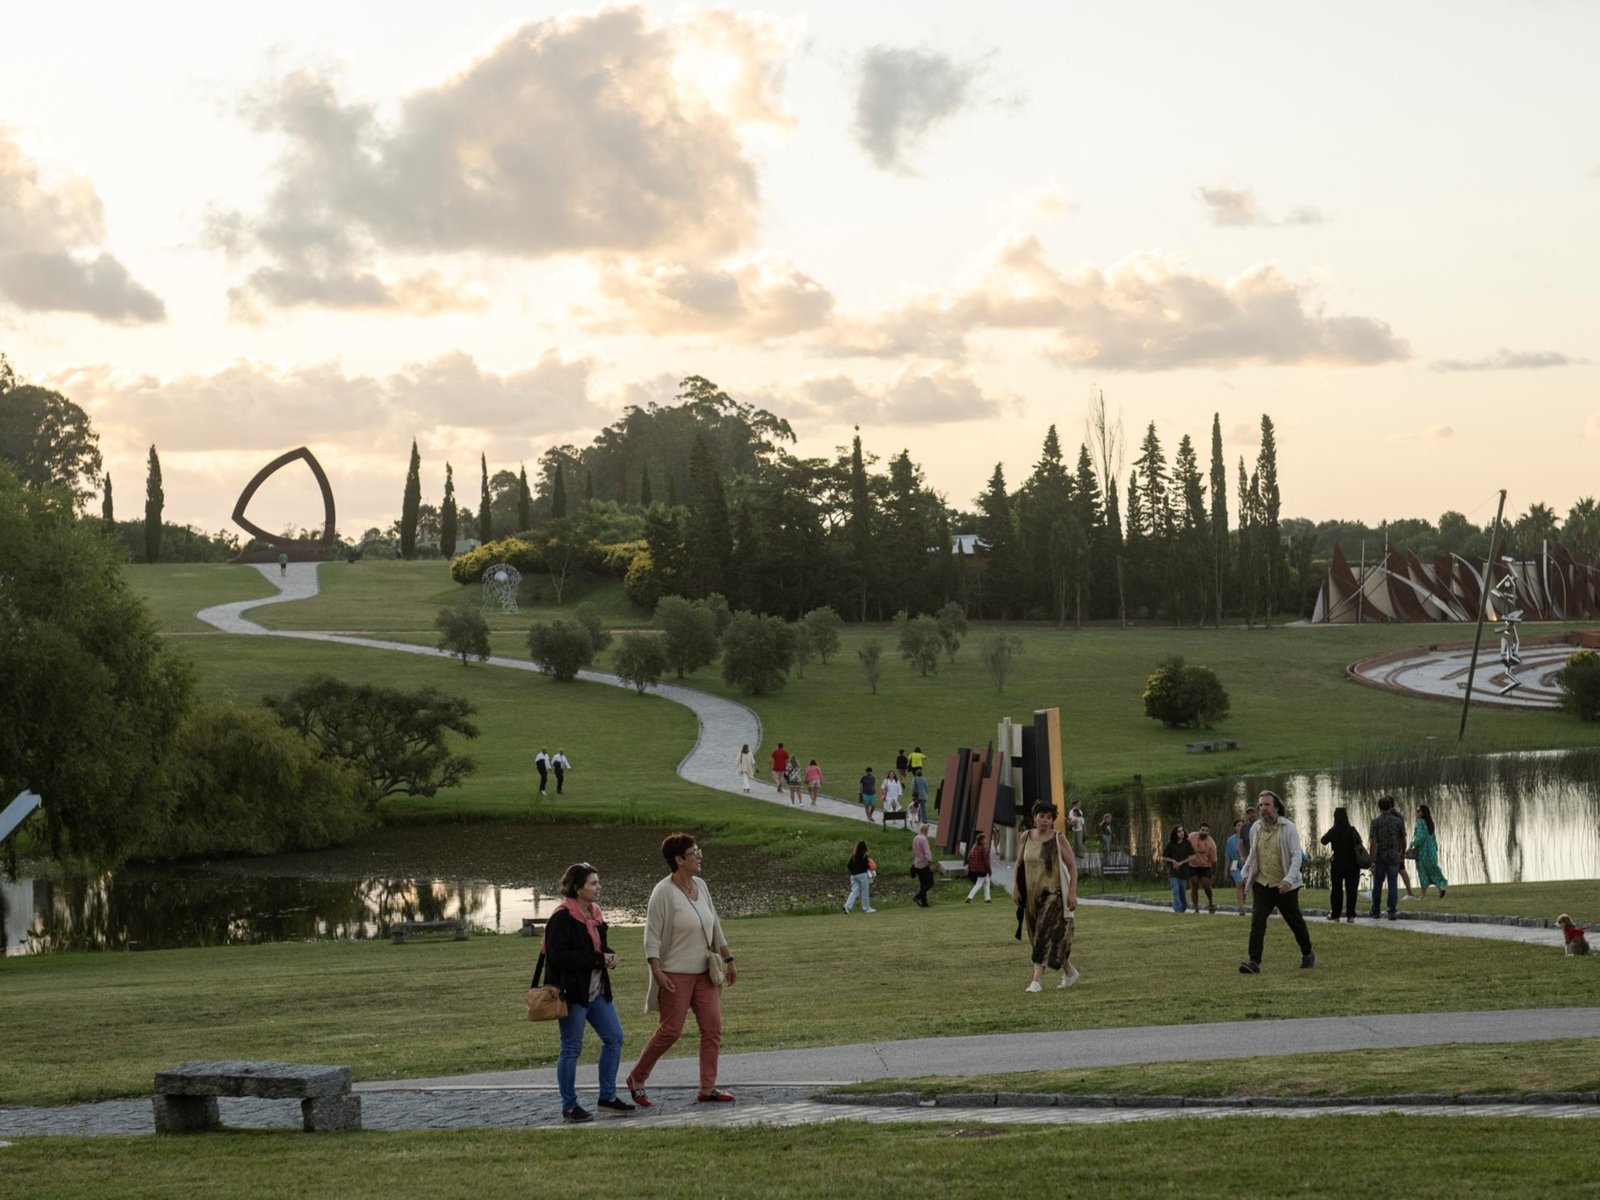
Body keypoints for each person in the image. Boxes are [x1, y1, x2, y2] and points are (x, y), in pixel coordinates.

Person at [625, 833, 737, 1107]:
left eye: (698, 851)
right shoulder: (663, 892)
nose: (699, 857)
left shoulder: (701, 885)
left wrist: (729, 958)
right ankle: (637, 1078)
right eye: (693, 853)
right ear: (678, 859)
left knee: (712, 1029)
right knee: (671, 1030)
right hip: (674, 973)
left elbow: (714, 924)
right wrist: (657, 971)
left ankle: (707, 1088)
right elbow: (651, 936)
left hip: (705, 973)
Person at [544, 862, 633, 1123]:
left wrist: (609, 956)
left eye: (598, 882)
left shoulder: (595, 913)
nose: (598, 887)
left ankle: (607, 1098)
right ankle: (570, 1106)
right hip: (573, 993)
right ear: (577, 888)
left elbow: (599, 948)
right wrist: (597, 959)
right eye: (593, 883)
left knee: (614, 1037)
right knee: (571, 1048)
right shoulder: (562, 917)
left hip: (597, 991)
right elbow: (558, 957)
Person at [1238, 790, 1315, 973]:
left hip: (1284, 886)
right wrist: (1246, 871)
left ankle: (1307, 953)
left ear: (1276, 807)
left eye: (1267, 804)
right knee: (1257, 922)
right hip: (1262, 884)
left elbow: (1296, 856)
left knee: (1294, 920)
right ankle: (1254, 962)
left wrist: (1289, 880)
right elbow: (1253, 853)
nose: (1263, 808)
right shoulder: (1256, 828)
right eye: (1260, 805)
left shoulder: (1288, 827)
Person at [1010, 803, 1079, 992]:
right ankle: (1070, 972)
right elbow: (1018, 864)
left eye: (1049, 817)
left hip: (1053, 894)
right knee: (1038, 936)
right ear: (1034, 818)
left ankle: (1037, 981)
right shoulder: (1026, 836)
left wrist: (1072, 892)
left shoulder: (1058, 838)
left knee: (1043, 934)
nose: (1045, 820)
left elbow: (1072, 866)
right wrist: (1015, 886)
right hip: (1032, 895)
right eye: (1042, 816)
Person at [1320, 807, 1362, 923]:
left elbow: (1323, 840)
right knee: (1351, 890)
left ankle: (1336, 915)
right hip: (1352, 863)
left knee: (1336, 889)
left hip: (1338, 863)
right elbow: (1359, 842)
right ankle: (1350, 916)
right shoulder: (1352, 830)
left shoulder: (1333, 831)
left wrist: (1331, 831)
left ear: (1335, 817)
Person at [1368, 796, 1407, 921]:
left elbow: (1373, 843)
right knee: (1393, 883)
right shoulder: (1398, 822)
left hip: (1380, 857)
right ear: (1390, 807)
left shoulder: (1375, 822)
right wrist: (1402, 852)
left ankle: (1376, 910)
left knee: (1377, 884)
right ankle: (1392, 911)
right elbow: (1403, 839)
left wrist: (1372, 860)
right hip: (1394, 856)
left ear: (1379, 808)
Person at [1410, 804, 1448, 897]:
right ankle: (1440, 888)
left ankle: (1423, 894)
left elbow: (1420, 837)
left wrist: (1412, 844)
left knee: (1422, 871)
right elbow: (1433, 838)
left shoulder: (1420, 822)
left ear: (1423, 813)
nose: (1416, 813)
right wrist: (1435, 849)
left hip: (1423, 851)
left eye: (1418, 811)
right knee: (1433, 870)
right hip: (1431, 850)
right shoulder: (1430, 823)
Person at [1187, 823, 1218, 914]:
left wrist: (1213, 874)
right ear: (1199, 830)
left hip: (1205, 866)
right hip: (1193, 865)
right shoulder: (1191, 837)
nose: (1204, 832)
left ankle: (1211, 903)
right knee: (1194, 884)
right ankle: (1196, 909)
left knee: (1206, 885)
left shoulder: (1211, 843)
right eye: (1203, 830)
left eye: (1206, 830)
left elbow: (1214, 861)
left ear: (1209, 832)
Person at [1160, 823, 1191, 913]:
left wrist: (1181, 863)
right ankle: (1178, 910)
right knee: (1176, 890)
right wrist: (1173, 861)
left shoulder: (1187, 844)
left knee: (1182, 893)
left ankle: (1183, 907)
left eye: (1182, 831)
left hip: (1184, 872)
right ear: (1175, 834)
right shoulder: (1171, 844)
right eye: (1179, 831)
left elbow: (1192, 856)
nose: (1181, 833)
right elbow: (1164, 857)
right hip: (1173, 873)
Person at [844, 840, 876, 913]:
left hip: (853, 875)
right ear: (865, 848)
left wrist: (853, 871)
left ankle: (847, 906)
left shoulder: (854, 856)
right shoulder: (864, 856)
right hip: (862, 875)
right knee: (865, 891)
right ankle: (866, 908)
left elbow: (849, 865)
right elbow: (867, 866)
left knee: (854, 891)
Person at [1225, 818, 1247, 915]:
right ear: (1235, 827)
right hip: (1234, 864)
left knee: (1245, 886)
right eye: (1238, 825)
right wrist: (1226, 870)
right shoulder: (1230, 840)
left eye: (1242, 825)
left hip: (1246, 865)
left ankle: (1242, 904)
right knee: (1239, 883)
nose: (1240, 827)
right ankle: (1240, 908)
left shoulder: (1247, 837)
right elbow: (1227, 856)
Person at [911, 823, 935, 907]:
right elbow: (927, 853)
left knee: (923, 883)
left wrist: (913, 862)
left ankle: (924, 902)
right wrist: (930, 863)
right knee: (930, 882)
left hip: (917, 864)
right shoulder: (924, 839)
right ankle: (918, 896)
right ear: (926, 830)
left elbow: (913, 851)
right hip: (924, 864)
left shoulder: (915, 838)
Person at [965, 832, 992, 903]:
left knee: (987, 882)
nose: (986, 840)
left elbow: (969, 858)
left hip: (976, 869)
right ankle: (969, 897)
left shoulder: (974, 848)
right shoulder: (983, 849)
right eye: (985, 839)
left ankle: (987, 898)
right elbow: (986, 861)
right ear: (982, 840)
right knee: (979, 883)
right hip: (982, 869)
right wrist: (989, 871)